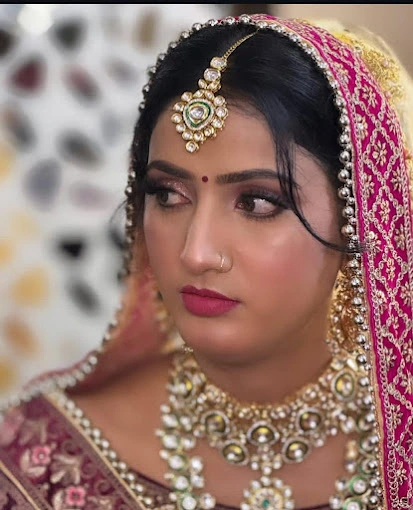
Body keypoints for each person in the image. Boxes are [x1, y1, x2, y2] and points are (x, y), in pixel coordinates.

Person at [0, 13, 411, 510]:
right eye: (168, 195)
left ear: (362, 215)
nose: (195, 253)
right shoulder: (35, 463)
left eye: (257, 202)